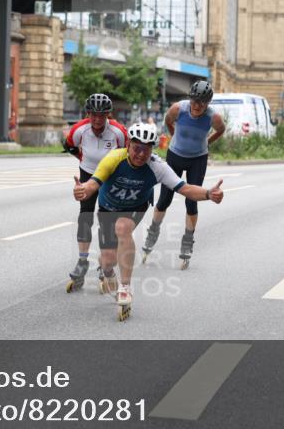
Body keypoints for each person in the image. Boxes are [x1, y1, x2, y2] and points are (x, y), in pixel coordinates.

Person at [72, 122, 224, 320]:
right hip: (108, 207)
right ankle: (107, 272)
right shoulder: (113, 158)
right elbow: (94, 183)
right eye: (137, 148)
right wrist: (83, 190)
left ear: (152, 149)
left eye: (146, 149)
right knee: (108, 259)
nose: (141, 154)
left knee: (123, 227)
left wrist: (208, 194)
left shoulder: (158, 167)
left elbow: (185, 189)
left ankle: (125, 287)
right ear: (128, 145)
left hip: (135, 207)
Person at [142, 80, 226, 268]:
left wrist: (207, 142)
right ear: (190, 99)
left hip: (198, 159)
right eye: (194, 101)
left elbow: (221, 130)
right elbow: (168, 121)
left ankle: (187, 242)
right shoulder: (178, 109)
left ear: (208, 104)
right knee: (165, 199)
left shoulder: (213, 117)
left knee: (191, 201)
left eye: (202, 103)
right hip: (175, 155)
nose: (197, 106)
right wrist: (175, 135)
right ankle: (153, 232)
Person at [63, 94, 128, 291]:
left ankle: (105, 263)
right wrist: (83, 158)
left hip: (110, 177)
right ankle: (82, 261)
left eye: (102, 115)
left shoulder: (118, 132)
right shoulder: (79, 129)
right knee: (85, 216)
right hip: (88, 173)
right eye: (94, 115)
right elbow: (69, 146)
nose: (98, 119)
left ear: (108, 114)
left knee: (107, 220)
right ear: (88, 114)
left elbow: (127, 154)